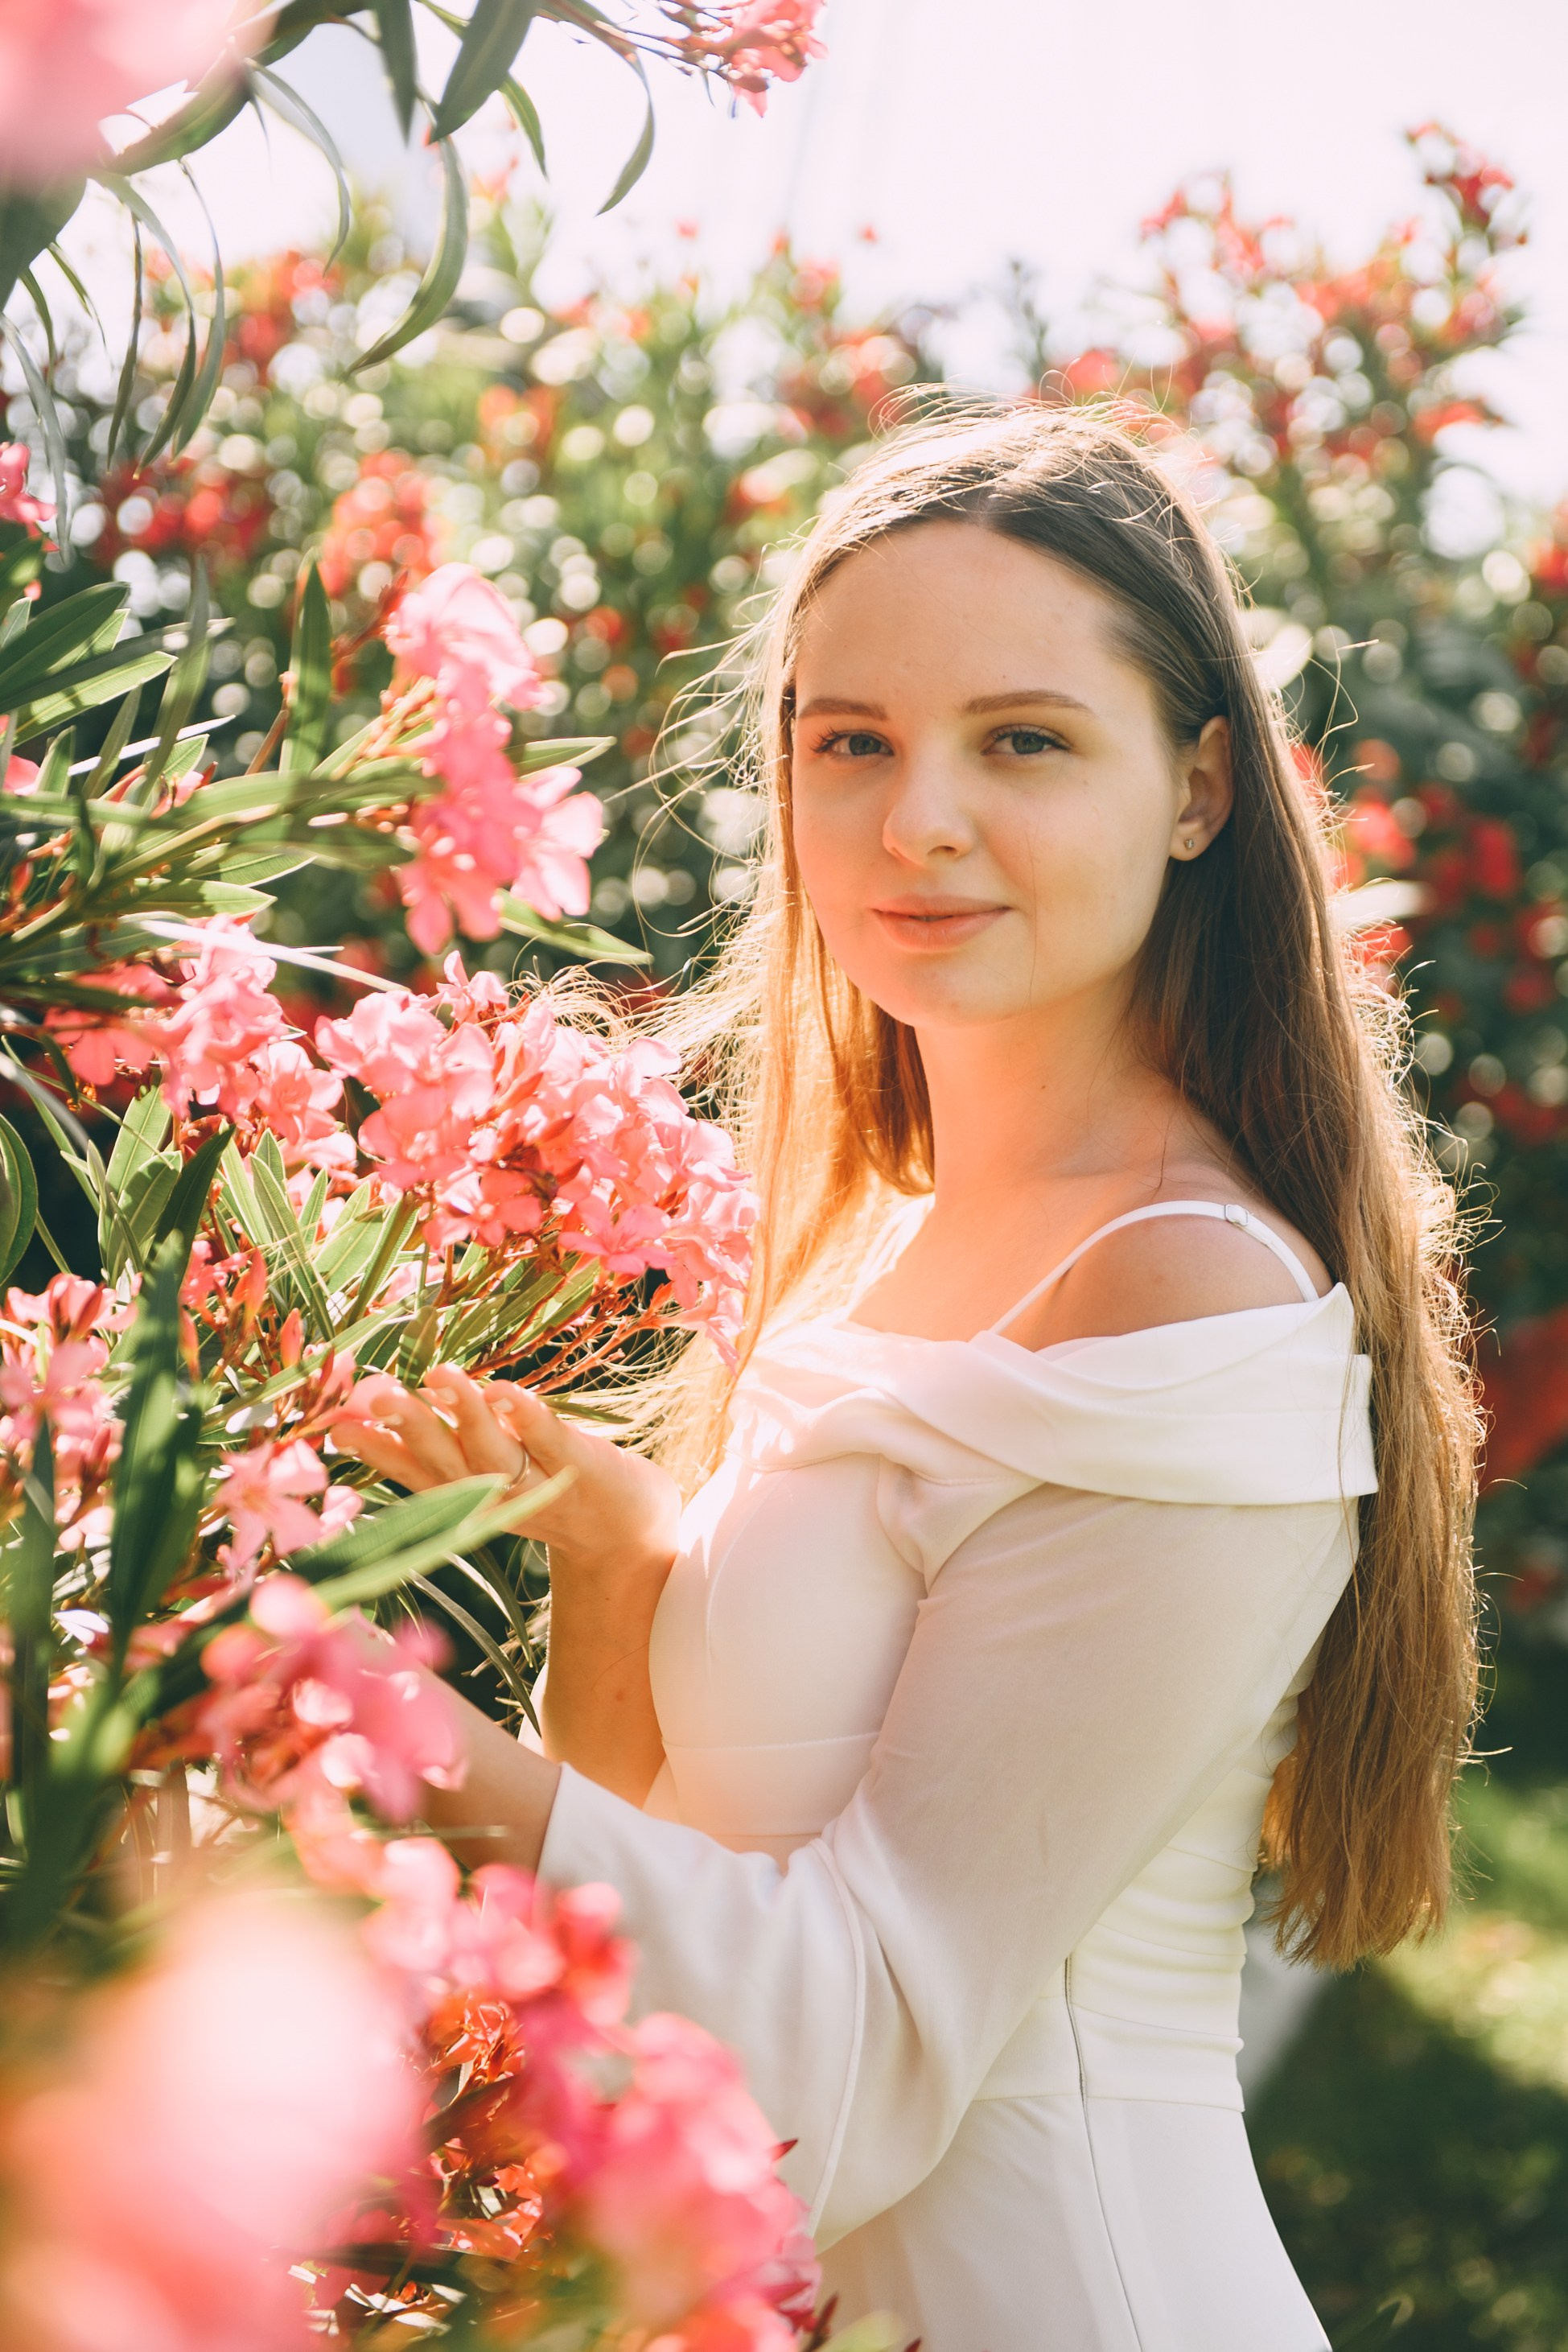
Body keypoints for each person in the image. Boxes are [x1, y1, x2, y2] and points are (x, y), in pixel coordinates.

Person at [337, 406, 1480, 2352]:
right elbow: (685, 1902)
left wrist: (358, 1729)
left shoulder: (1184, 1301)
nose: (915, 821)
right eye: (848, 741)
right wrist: (621, 1589)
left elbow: (849, 2063)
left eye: (1021, 739)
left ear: (1200, 785)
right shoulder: (879, 1242)